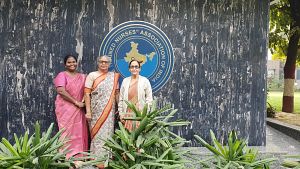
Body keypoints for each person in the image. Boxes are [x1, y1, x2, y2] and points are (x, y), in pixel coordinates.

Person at [84, 55, 120, 163]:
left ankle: (106, 160)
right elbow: (86, 94)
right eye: (101, 62)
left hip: (109, 111)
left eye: (106, 62)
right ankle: (95, 160)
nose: (103, 64)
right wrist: (88, 111)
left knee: (107, 134)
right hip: (95, 111)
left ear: (109, 64)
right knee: (96, 135)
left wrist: (120, 108)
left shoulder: (113, 76)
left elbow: (117, 93)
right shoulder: (92, 75)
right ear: (98, 63)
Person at [54, 54, 88, 159]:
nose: (72, 64)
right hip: (65, 109)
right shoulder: (62, 75)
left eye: (74, 62)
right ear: (65, 64)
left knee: (79, 131)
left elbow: (87, 90)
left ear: (77, 63)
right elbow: (61, 91)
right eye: (69, 62)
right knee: (66, 132)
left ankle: (79, 158)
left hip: (79, 109)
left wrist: (83, 101)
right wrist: (76, 102)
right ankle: (66, 157)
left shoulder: (83, 77)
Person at [118, 59, 153, 131]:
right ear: (129, 69)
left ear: (140, 69)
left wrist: (145, 114)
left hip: (140, 113)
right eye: (132, 67)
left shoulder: (145, 81)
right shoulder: (125, 81)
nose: (134, 69)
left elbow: (149, 99)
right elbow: (121, 99)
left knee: (139, 134)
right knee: (128, 135)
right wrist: (121, 114)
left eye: (136, 67)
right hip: (127, 113)